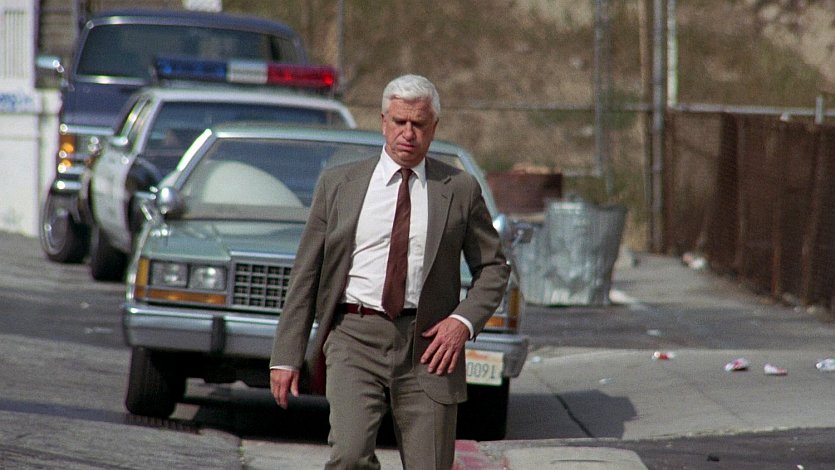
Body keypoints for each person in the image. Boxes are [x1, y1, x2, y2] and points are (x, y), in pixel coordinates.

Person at [269, 74, 510, 470]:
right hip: (353, 336)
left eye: (419, 124)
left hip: (429, 346)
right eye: (400, 122)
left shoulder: (459, 188)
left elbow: (494, 267)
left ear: (434, 127)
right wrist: (285, 356)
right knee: (349, 457)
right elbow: (306, 274)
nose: (408, 134)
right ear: (384, 122)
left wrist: (462, 322)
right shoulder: (339, 184)